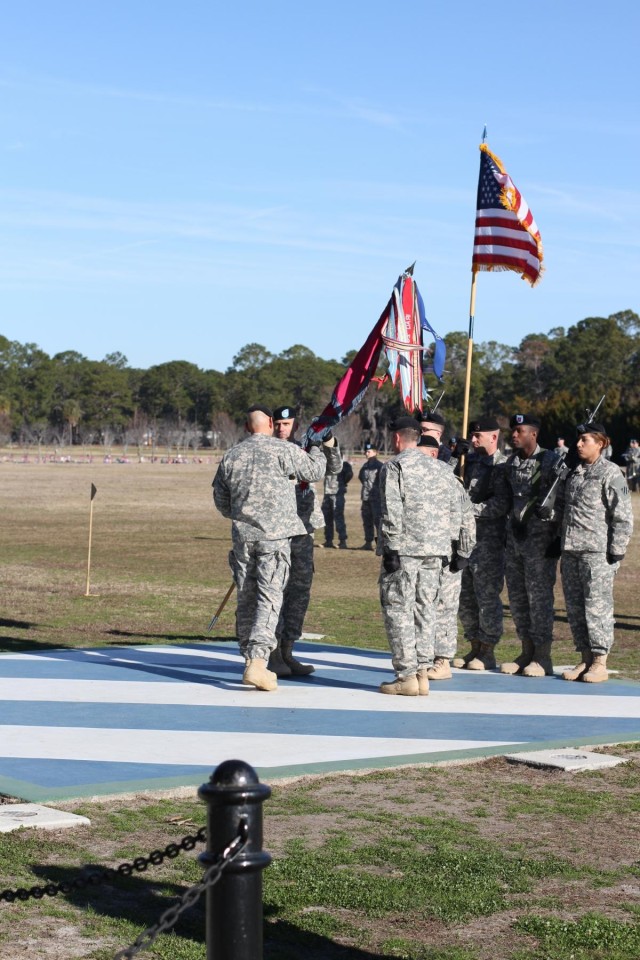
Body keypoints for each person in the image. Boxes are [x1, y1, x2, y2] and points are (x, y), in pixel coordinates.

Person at [212, 405, 327, 691]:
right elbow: (315, 471)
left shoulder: (232, 455)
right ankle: (259, 662)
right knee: (269, 597)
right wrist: (316, 447)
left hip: (243, 536)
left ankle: (249, 656)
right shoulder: (282, 450)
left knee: (247, 597)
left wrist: (243, 517)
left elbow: (221, 501)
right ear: (271, 424)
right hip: (274, 538)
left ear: (247, 427)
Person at [378, 418, 473, 696]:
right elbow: (457, 511)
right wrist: (455, 546)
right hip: (437, 550)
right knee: (426, 608)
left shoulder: (395, 466)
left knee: (399, 609)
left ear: (398, 438)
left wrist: (391, 547)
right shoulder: (443, 470)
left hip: (405, 550)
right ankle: (422, 670)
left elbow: (391, 509)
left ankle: (406, 675)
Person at [269, 404, 343, 677]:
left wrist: (328, 441)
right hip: (277, 531)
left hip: (303, 530)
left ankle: (288, 652)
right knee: (274, 592)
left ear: (295, 425)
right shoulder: (266, 450)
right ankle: (273, 653)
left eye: (286, 424)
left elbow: (334, 468)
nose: (281, 428)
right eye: (277, 423)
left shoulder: (305, 446)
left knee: (299, 593)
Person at [561, 422, 633, 683]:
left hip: (596, 552)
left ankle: (600, 661)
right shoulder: (575, 472)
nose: (578, 444)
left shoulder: (611, 473)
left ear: (601, 443)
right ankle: (585, 658)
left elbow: (623, 516)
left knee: (597, 607)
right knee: (576, 608)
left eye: (584, 440)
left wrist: (617, 550)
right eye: (578, 440)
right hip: (570, 550)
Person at [500, 414, 563, 678]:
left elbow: (562, 500)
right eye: (513, 430)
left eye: (520, 431)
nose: (514, 435)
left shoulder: (551, 461)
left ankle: (542, 656)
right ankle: (526, 651)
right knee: (517, 600)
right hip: (514, 541)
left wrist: (556, 535)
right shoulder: (511, 462)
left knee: (539, 601)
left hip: (540, 543)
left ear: (533, 434)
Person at [417, 436, 476, 681]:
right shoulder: (419, 481)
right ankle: (424, 657)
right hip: (426, 551)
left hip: (449, 553)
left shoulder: (452, 482)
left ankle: (442, 660)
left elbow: (467, 518)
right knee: (424, 604)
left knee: (445, 606)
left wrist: (463, 552)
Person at [454, 417, 508, 671]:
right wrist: (455, 457)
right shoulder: (470, 461)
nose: (473, 441)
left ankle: (487, 650)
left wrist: (468, 510)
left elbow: (500, 504)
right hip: (463, 540)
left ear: (493, 437)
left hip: (488, 542)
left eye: (478, 436)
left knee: (487, 597)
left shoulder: (503, 465)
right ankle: (473, 643)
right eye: (472, 436)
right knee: (465, 597)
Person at [321, 458, 353, 548]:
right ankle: (328, 540)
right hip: (327, 494)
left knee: (338, 518)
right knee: (327, 518)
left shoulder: (344, 464)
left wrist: (342, 483)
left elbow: (349, 475)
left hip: (337, 494)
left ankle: (342, 541)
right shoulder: (327, 462)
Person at [358, 442, 382, 550]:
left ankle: (380, 545)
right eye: (366, 451)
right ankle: (368, 543)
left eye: (369, 451)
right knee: (367, 521)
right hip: (366, 498)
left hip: (376, 499)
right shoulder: (365, 466)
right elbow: (361, 477)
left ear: (375, 452)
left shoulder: (380, 466)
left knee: (378, 522)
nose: (366, 453)